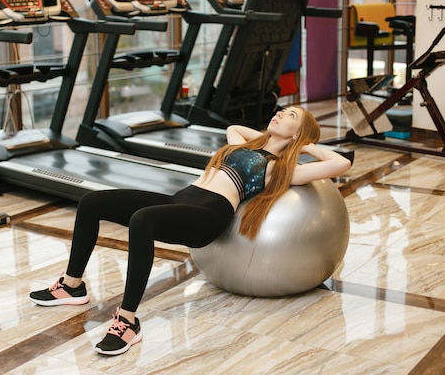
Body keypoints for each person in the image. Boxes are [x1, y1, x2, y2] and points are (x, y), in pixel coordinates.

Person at [29, 106, 352, 356]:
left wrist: (306, 144)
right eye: (282, 110)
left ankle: (127, 321)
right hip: (180, 199)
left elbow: (341, 164)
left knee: (143, 220)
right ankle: (72, 286)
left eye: (291, 115)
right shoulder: (245, 146)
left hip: (208, 216)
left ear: (299, 132)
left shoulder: (282, 169)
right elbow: (233, 127)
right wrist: (273, 137)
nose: (280, 112)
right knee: (92, 201)